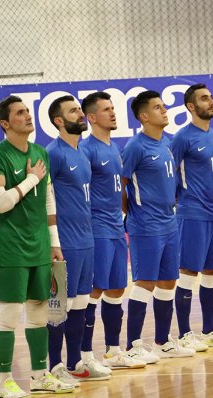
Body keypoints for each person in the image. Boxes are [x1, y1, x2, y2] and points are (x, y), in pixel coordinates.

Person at [0, 96, 74, 398]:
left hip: (40, 245)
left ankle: (39, 377)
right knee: (10, 315)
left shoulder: (39, 153)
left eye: (27, 111)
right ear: (5, 123)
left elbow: (48, 198)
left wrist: (54, 242)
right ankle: (5, 382)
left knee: (39, 313)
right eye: (20, 113)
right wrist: (29, 180)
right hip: (11, 247)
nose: (27, 116)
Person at [122, 90, 194, 362]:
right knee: (145, 283)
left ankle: (162, 342)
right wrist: (133, 214)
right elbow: (121, 184)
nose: (164, 111)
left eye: (163, 106)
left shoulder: (167, 143)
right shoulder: (135, 147)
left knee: (168, 281)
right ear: (144, 116)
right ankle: (133, 345)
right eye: (157, 107)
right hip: (145, 225)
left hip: (169, 223)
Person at [46, 95, 111, 383]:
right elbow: (43, 199)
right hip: (65, 243)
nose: (80, 114)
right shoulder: (53, 153)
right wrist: (52, 241)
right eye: (73, 111)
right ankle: (55, 367)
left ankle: (75, 364)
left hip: (87, 240)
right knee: (59, 307)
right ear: (59, 120)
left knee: (82, 303)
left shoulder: (82, 153)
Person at [79, 92, 146, 370]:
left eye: (113, 108)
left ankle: (113, 351)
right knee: (94, 290)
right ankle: (84, 356)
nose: (113, 113)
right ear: (91, 117)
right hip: (96, 228)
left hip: (116, 227)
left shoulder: (115, 148)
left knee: (117, 288)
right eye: (106, 109)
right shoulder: (86, 149)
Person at [171, 84, 213, 348]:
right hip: (192, 214)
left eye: (211, 97)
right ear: (191, 106)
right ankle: (185, 334)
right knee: (189, 272)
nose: (211, 102)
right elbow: (170, 174)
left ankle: (210, 330)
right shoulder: (182, 138)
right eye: (204, 99)